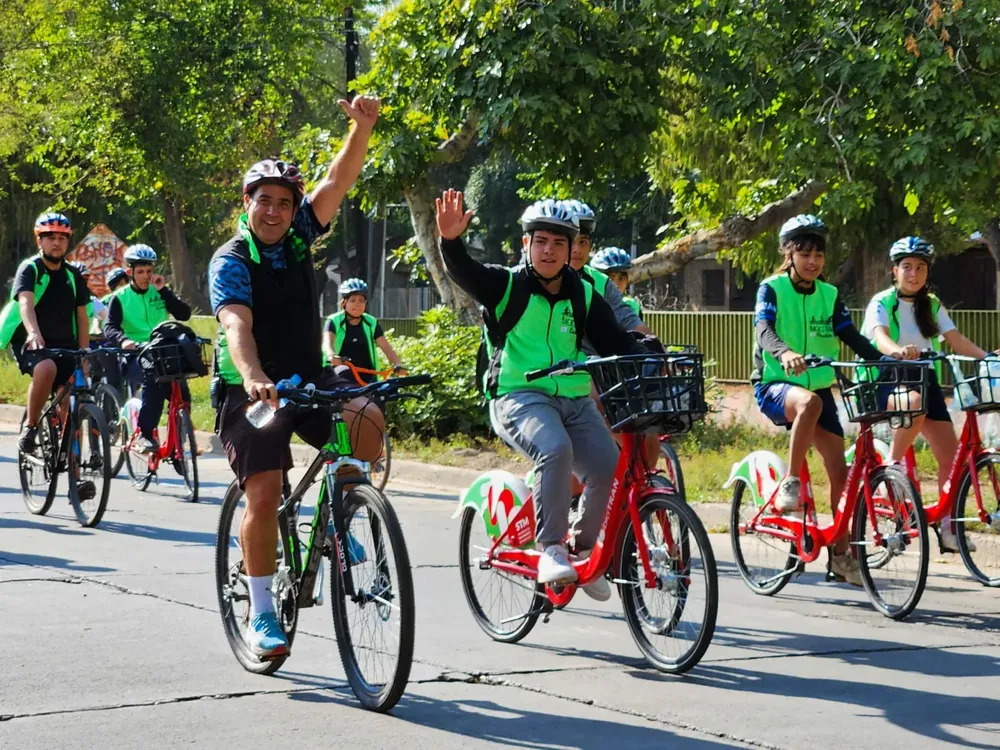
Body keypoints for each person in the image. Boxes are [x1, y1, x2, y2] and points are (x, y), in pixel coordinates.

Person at [208, 94, 385, 659]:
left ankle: (343, 502)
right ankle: (262, 612)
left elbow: (340, 178)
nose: (276, 211)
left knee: (367, 416)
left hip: (309, 377)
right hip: (251, 389)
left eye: (285, 203)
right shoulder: (232, 259)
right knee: (262, 492)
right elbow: (236, 326)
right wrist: (255, 374)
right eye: (266, 201)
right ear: (248, 202)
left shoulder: (301, 234)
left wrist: (362, 128)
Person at [439, 189, 648, 598]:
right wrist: (449, 241)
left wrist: (650, 351)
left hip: (570, 397)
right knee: (554, 449)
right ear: (526, 244)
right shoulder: (506, 286)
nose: (549, 251)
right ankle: (551, 547)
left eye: (558, 243)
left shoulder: (583, 293)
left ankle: (584, 551)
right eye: (540, 241)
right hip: (517, 395)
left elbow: (614, 341)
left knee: (609, 464)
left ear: (571, 249)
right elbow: (464, 270)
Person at [752, 214, 909, 586]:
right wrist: (785, 352)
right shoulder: (771, 289)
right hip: (776, 383)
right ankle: (791, 481)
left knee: (841, 474)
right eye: (804, 253)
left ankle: (840, 556)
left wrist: (886, 361)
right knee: (809, 404)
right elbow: (763, 329)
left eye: (818, 255)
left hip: (819, 389)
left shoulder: (830, 294)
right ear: (788, 254)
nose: (812, 261)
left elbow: (850, 335)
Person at [862, 236, 994, 552]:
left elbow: (956, 339)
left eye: (920, 268)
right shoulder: (882, 302)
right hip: (887, 378)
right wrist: (898, 351)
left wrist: (988, 357)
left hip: (924, 377)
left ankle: (948, 526)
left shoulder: (931, 304)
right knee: (916, 404)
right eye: (907, 267)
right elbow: (879, 337)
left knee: (952, 457)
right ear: (895, 271)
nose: (914, 274)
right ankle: (892, 467)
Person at [0, 212, 90, 458]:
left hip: (65, 343)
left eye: (62, 237)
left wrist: (85, 353)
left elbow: (82, 317)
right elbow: (25, 305)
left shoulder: (73, 276)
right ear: (39, 240)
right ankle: (30, 429)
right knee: (46, 368)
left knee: (72, 399)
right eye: (49, 237)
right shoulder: (30, 269)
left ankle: (75, 472)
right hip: (30, 341)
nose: (56, 242)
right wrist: (33, 334)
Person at [103, 244, 193, 454]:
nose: (146, 276)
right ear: (130, 272)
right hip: (135, 354)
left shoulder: (159, 291)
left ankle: (177, 440)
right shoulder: (120, 297)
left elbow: (184, 314)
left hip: (162, 351)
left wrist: (164, 291)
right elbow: (109, 327)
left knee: (181, 384)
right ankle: (145, 433)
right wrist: (124, 340)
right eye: (141, 272)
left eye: (149, 271)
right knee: (153, 378)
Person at [559, 199, 650, 338]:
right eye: (571, 241)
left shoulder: (602, 283)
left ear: (590, 245)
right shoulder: (529, 280)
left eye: (583, 242)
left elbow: (627, 319)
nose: (577, 249)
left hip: (593, 359)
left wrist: (660, 352)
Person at [322, 277, 405, 381]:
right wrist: (331, 355)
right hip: (341, 376)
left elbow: (386, 348)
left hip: (368, 376)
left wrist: (398, 364)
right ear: (344, 303)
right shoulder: (334, 320)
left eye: (361, 300)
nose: (357, 304)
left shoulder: (371, 322)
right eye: (353, 300)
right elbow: (327, 343)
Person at [590, 246, 642, 318]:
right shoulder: (585, 302)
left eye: (621, 278)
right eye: (610, 279)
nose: (616, 285)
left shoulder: (632, 306)